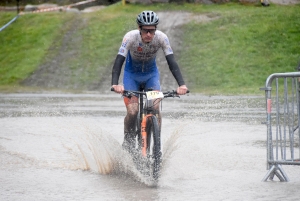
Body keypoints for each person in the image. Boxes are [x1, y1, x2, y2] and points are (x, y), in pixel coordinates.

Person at [111, 10, 188, 152]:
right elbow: (118, 61)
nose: (149, 34)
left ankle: (156, 147)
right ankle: (128, 139)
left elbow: (172, 62)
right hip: (131, 76)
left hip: (151, 76)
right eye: (145, 31)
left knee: (155, 108)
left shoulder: (161, 38)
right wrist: (115, 84)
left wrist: (181, 85)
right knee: (133, 111)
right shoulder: (130, 37)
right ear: (139, 28)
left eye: (152, 31)